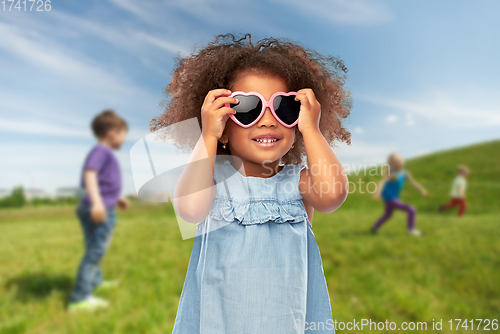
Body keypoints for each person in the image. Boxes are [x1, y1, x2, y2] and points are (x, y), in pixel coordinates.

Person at [150, 34, 351, 333]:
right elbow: (190, 209)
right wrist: (207, 135)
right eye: (247, 108)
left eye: (283, 108)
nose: (268, 120)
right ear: (224, 129)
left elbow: (333, 195)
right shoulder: (213, 182)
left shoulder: (299, 183)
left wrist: (312, 129)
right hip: (219, 321)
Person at [68, 110, 129, 312]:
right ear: (112, 133)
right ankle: (79, 299)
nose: (123, 139)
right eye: (123, 134)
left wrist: (117, 198)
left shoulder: (103, 153)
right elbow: (90, 175)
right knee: (96, 251)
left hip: (95, 205)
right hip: (98, 209)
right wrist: (97, 203)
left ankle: (95, 282)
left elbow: (103, 183)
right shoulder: (101, 152)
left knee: (93, 247)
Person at [372, 153, 430, 236]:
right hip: (389, 198)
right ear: (392, 164)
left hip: (393, 198)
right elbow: (382, 182)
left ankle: (375, 228)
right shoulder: (393, 173)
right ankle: (411, 230)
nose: (398, 162)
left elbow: (413, 183)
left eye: (399, 160)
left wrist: (422, 190)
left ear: (403, 161)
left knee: (388, 215)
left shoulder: (405, 173)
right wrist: (378, 193)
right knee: (412, 210)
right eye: (395, 161)